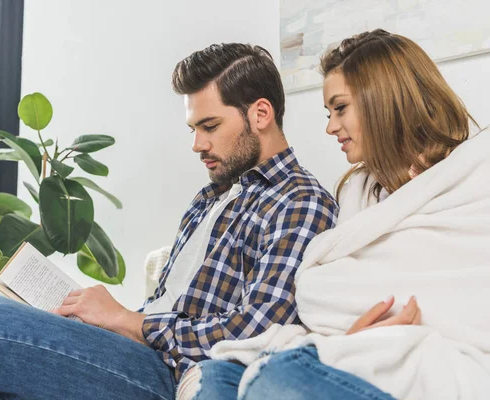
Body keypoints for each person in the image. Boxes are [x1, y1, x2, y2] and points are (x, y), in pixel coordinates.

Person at [0, 43, 337, 400]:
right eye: (192, 129)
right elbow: (171, 306)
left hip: (175, 377)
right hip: (138, 351)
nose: (197, 144)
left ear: (260, 114)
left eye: (210, 125)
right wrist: (102, 319)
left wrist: (128, 321)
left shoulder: (299, 202)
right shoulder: (211, 197)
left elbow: (257, 332)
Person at [178, 29, 490, 400]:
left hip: (439, 358)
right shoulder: (362, 191)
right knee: (218, 377)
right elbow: (328, 290)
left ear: (383, 98)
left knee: (276, 377)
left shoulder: (472, 176)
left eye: (340, 108)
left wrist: (371, 340)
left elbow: (461, 295)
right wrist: (353, 339)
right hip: (358, 345)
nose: (330, 127)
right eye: (329, 113)